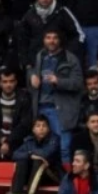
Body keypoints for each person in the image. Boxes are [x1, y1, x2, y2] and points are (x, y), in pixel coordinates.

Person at [28, 29, 84, 164]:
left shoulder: (70, 58)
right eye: (48, 37)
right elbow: (32, 72)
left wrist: (59, 81)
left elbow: (78, 83)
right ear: (44, 40)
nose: (51, 41)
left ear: (60, 40)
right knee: (44, 148)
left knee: (64, 148)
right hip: (40, 107)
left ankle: (66, 181)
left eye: (55, 38)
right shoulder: (40, 55)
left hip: (60, 109)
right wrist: (31, 76)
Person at [17, 0, 84, 67]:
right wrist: (26, 62)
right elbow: (22, 40)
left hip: (60, 64)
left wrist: (67, 55)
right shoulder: (29, 14)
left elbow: (79, 35)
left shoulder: (62, 12)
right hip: (36, 64)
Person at [0, 70, 33, 164]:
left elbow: (25, 124)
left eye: (11, 81)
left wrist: (8, 141)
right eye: (5, 81)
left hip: (17, 139)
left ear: (16, 82)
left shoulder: (24, 97)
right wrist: (1, 138)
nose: (8, 85)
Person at [9, 115, 62, 194]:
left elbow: (45, 153)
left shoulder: (54, 139)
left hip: (51, 175)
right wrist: (30, 155)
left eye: (44, 126)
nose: (41, 128)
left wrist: (31, 154)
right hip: (33, 176)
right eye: (38, 126)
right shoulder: (29, 141)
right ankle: (16, 193)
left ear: (49, 129)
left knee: (38, 161)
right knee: (22, 160)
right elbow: (15, 154)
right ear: (33, 129)